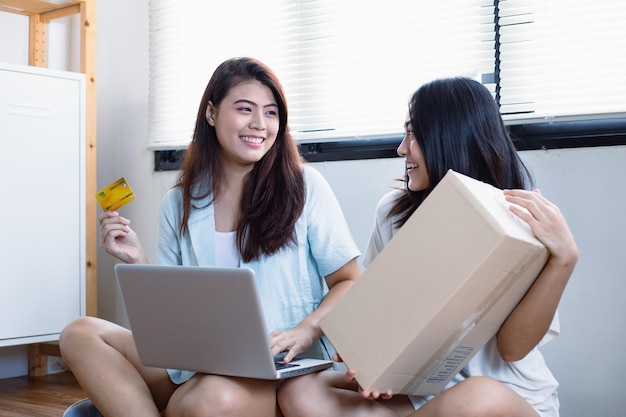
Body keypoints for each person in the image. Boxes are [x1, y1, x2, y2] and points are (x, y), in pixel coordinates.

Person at [59, 57, 361, 417]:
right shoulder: (179, 202)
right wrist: (139, 262)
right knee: (79, 333)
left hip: (276, 368)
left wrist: (305, 331)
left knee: (205, 402)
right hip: (200, 362)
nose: (259, 125)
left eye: (270, 113)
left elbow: (349, 282)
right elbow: (173, 312)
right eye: (245, 109)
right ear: (212, 113)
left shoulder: (306, 187)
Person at [278, 77, 578, 417]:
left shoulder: (524, 221)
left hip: (504, 398)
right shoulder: (392, 213)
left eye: (413, 135)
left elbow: (512, 349)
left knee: (478, 397)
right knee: (301, 390)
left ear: (449, 138)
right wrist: (369, 361)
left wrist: (564, 260)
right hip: (421, 392)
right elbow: (382, 312)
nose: (402, 149)